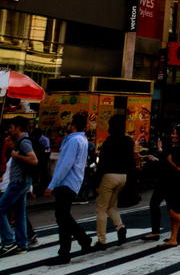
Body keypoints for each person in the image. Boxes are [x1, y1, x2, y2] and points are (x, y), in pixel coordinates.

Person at [44, 113, 93, 263]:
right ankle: (83, 239)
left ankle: (65, 252)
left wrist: (52, 185)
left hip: (66, 182)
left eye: (70, 123)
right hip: (72, 182)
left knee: (62, 218)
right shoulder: (81, 139)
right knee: (64, 216)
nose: (68, 125)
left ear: (73, 125)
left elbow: (65, 164)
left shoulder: (74, 141)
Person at [92, 112, 135, 250]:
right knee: (111, 206)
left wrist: (97, 182)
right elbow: (131, 161)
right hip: (123, 177)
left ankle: (101, 239)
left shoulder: (109, 142)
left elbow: (102, 163)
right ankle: (120, 226)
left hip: (109, 176)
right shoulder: (128, 141)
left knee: (101, 208)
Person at [0, 116, 38, 255]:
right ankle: (22, 244)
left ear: (18, 127)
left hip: (18, 182)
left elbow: (33, 160)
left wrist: (17, 156)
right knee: (20, 214)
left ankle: (8, 241)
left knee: (1, 209)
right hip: (23, 182)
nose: (10, 131)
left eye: (11, 127)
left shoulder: (23, 142)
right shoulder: (23, 141)